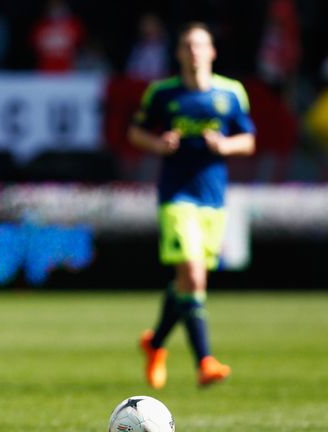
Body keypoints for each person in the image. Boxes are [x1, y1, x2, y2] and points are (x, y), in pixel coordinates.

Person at [128, 22, 255, 389]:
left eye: (201, 45)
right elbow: (135, 132)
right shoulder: (163, 93)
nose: (195, 51)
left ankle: (154, 344)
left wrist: (225, 146)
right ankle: (205, 361)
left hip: (213, 198)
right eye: (188, 45)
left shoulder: (231, 93)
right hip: (177, 195)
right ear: (179, 53)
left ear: (212, 52)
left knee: (187, 281)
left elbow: (247, 140)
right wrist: (158, 145)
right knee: (194, 276)